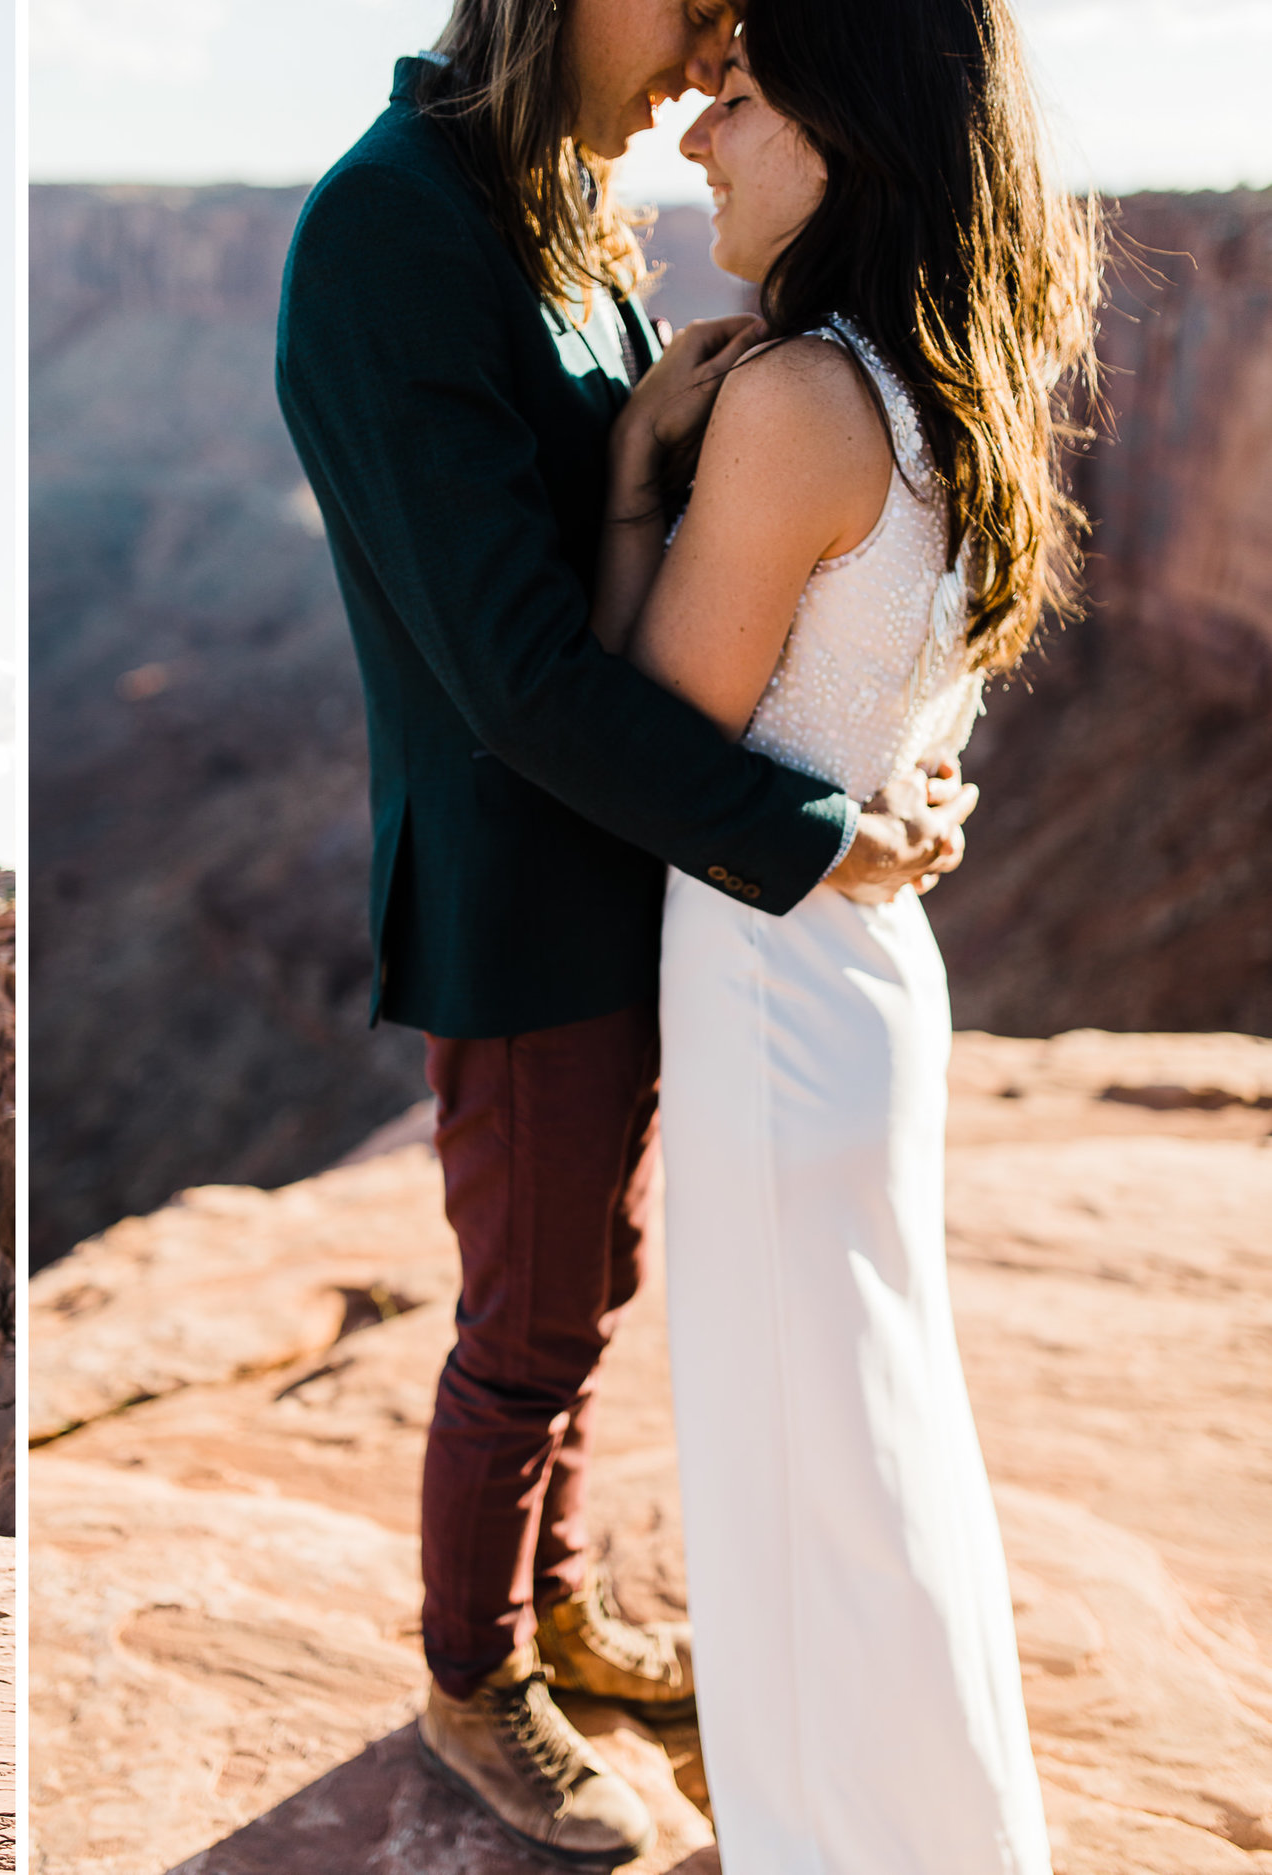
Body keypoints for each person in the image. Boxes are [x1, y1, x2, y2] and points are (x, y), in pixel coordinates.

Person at [274, 1, 976, 1863]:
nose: (704, 54)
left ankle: (556, 1597)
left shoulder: (534, 204)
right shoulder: (390, 226)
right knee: (525, 1321)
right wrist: (814, 835)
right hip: (529, 894)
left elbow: (609, 567)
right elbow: (510, 672)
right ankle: (473, 1678)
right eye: (690, 7)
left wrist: (647, 449)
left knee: (590, 1288)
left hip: (643, 875)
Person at [588, 0, 1096, 1862]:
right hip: (860, 986)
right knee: (872, 1467)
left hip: (776, 993)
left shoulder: (799, 403)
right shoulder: (943, 378)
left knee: (803, 1489)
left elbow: (648, 731)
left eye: (731, 99)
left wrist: (643, 467)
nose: (694, 143)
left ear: (846, 118)